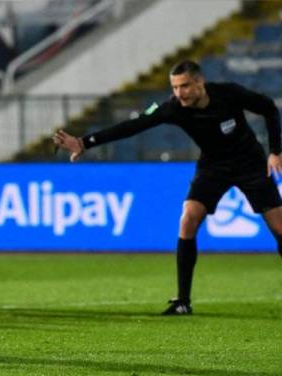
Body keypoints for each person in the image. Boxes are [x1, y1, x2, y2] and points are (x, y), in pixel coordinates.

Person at [53, 60, 282, 315]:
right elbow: (134, 125)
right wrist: (85, 142)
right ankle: (183, 301)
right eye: (175, 87)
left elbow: (269, 108)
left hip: (250, 163)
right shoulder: (173, 108)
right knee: (188, 219)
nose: (179, 93)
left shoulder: (228, 92)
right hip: (213, 167)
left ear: (199, 83)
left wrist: (275, 151)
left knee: (279, 227)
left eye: (184, 86)